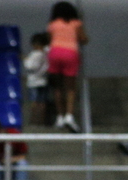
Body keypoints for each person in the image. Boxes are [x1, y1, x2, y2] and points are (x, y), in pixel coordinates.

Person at [46, 2, 87, 132]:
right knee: (70, 88)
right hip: (70, 53)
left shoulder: (52, 24)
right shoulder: (76, 23)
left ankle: (59, 116)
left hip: (55, 53)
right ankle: (69, 116)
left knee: (57, 87)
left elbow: (49, 39)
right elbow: (83, 39)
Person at [25, 33, 50, 128]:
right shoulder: (46, 53)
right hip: (43, 81)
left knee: (35, 102)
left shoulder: (36, 54)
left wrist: (25, 60)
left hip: (34, 82)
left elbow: (30, 66)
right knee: (42, 102)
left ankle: (35, 121)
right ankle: (41, 122)